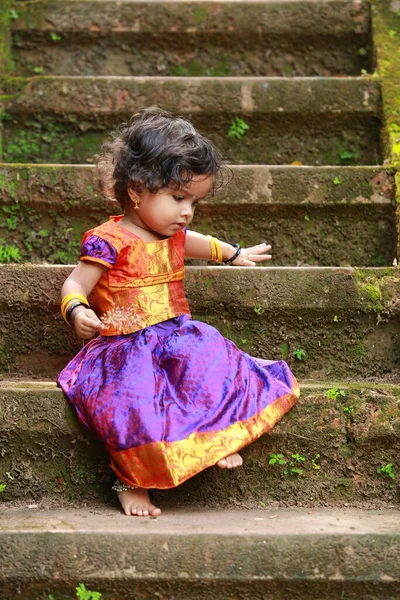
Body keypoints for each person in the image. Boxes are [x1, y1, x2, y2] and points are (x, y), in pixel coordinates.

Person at [57, 107, 300, 518]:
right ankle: (129, 480)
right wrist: (76, 309)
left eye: (194, 202)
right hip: (123, 348)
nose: (187, 211)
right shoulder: (109, 239)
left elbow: (197, 242)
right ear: (137, 190)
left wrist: (233, 253)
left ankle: (215, 437)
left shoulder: (175, 233)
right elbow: (75, 283)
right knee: (131, 401)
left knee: (210, 359)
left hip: (174, 335)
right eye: (178, 198)